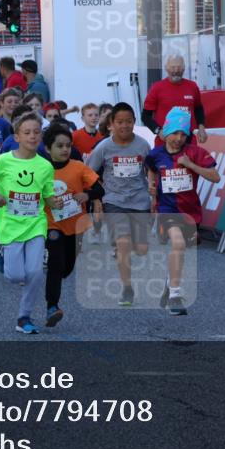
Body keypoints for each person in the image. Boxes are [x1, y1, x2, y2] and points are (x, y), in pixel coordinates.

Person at [145, 109, 220, 316]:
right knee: (177, 244)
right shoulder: (156, 154)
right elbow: (151, 169)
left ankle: (170, 284)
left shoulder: (195, 152)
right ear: (166, 131)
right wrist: (152, 189)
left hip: (190, 212)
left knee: (181, 250)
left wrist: (190, 165)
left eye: (183, 134)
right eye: (175, 133)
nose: (179, 138)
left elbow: (215, 177)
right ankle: (175, 296)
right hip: (167, 209)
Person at [0, 111, 60, 334]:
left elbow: (48, 194)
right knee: (15, 275)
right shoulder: (3, 161)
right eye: (27, 132)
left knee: (35, 272)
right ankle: (3, 257)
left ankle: (24, 317)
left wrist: (56, 202)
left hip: (35, 224)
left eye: (36, 132)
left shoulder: (45, 166)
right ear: (17, 136)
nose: (32, 136)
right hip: (10, 224)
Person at [86, 103, 152, 307]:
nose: (125, 126)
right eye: (120, 122)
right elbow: (88, 174)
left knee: (141, 249)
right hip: (114, 201)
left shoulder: (142, 146)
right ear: (111, 124)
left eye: (129, 122)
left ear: (134, 122)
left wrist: (153, 188)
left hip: (140, 201)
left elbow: (152, 170)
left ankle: (122, 247)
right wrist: (97, 199)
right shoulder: (104, 147)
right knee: (123, 243)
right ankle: (127, 288)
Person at [43, 123, 104, 327]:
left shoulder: (78, 167)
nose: (65, 150)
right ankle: (52, 306)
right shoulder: (41, 169)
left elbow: (99, 190)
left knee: (67, 267)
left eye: (68, 145)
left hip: (76, 226)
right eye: (59, 146)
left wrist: (86, 194)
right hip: (52, 226)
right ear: (47, 148)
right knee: (56, 264)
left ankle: (56, 276)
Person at [142, 54, 208, 145]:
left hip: (188, 143)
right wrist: (158, 131)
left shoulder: (192, 86)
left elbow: (198, 109)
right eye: (173, 67)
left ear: (184, 68)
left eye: (179, 67)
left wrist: (201, 128)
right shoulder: (157, 88)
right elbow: (145, 116)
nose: (176, 71)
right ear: (166, 68)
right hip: (164, 143)